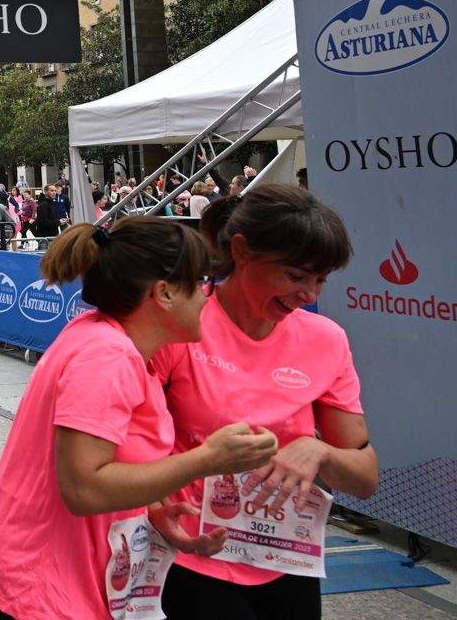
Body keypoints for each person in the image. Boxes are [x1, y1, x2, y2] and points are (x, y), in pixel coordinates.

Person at [0, 217, 279, 620]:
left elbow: (107, 463)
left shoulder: (106, 340)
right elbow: (83, 488)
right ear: (165, 293)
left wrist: (151, 510)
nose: (208, 298)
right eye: (201, 284)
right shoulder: (107, 357)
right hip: (51, 591)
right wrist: (210, 458)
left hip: (66, 582)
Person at [156, 185, 376, 618]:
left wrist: (318, 450)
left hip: (285, 557)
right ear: (241, 251)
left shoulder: (326, 340)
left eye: (321, 279)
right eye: (296, 276)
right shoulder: (183, 324)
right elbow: (124, 450)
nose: (310, 294)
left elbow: (365, 477)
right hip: (190, 554)